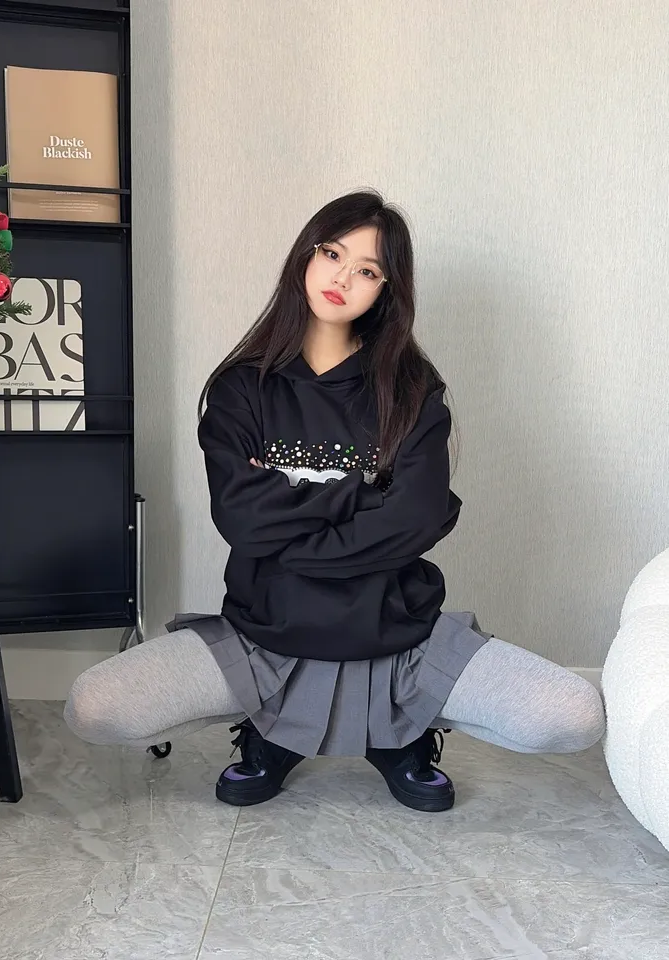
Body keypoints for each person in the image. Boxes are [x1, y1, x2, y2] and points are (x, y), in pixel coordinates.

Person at [65, 191, 606, 812]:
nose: (343, 278)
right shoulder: (242, 389)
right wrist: (368, 489)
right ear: (306, 256)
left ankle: (399, 731)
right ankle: (272, 729)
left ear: (386, 290)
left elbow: (415, 518)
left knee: (572, 715)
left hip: (399, 638)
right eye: (332, 254)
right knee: (95, 706)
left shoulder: (414, 390)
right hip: (262, 638)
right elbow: (242, 519)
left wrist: (289, 523)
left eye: (368, 270)